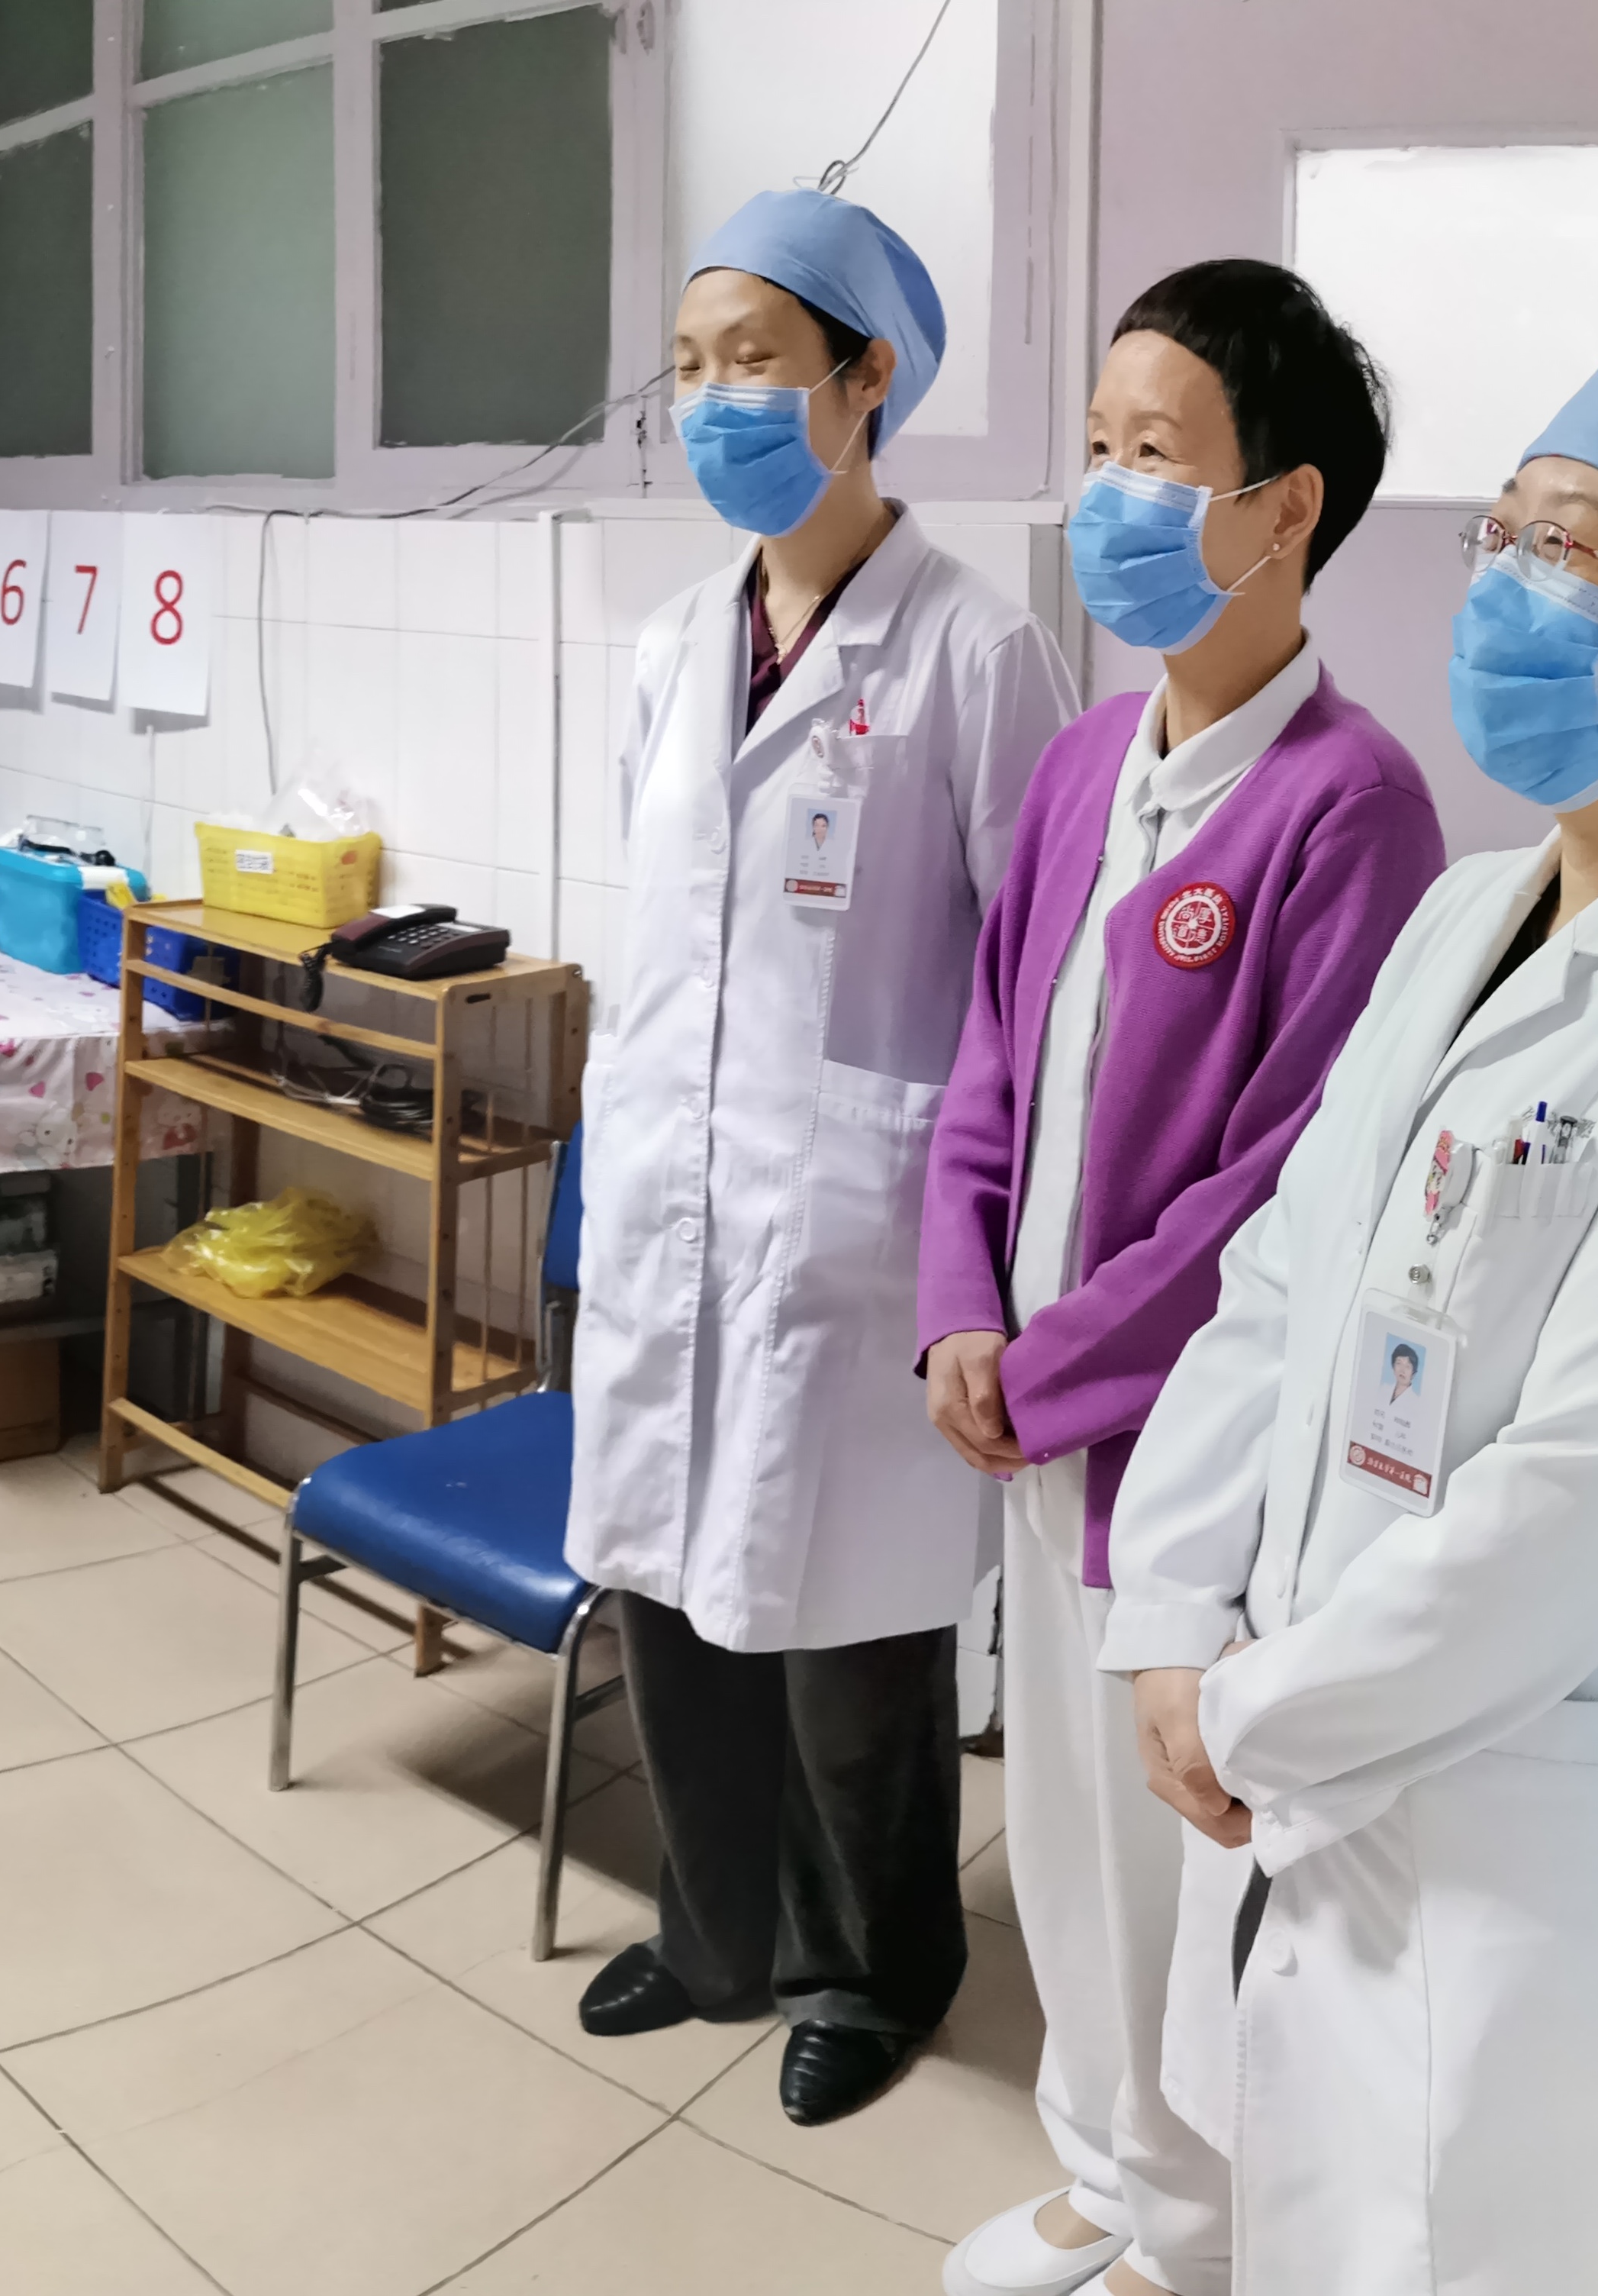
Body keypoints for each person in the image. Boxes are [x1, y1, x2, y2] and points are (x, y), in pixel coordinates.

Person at [1100, 328, 1598, 2291]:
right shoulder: (1470, 910)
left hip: (1545, 1853)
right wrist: (1170, 1609)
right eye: (1507, 535)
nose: (1502, 589)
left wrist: (1255, 1710)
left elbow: (1585, 1507)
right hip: (1325, 1758)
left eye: (1575, 550)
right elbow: (1281, 1277)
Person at [911, 260, 1445, 2296]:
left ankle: (1197, 2227)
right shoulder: (1082, 766)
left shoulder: (1351, 809)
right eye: (1098, 447)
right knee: (1059, 1824)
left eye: (1158, 453)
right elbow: (988, 1060)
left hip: (1180, 1457)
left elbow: (1276, 1189)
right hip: (1032, 1410)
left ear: (1284, 507)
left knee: (1180, 1849)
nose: (1109, 494)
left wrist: (1049, 1368)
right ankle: (1102, 2164)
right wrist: (961, 1312)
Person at [565, 188, 1081, 2125]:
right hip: (671, 1206)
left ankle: (876, 1966)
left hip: (856, 1233)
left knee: (851, 1640)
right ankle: (715, 1936)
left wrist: (984, 1263)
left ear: (866, 381)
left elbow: (1035, 983)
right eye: (688, 367)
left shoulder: (976, 652)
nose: (713, 400)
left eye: (755, 362)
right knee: (672, 1599)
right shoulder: (667, 646)